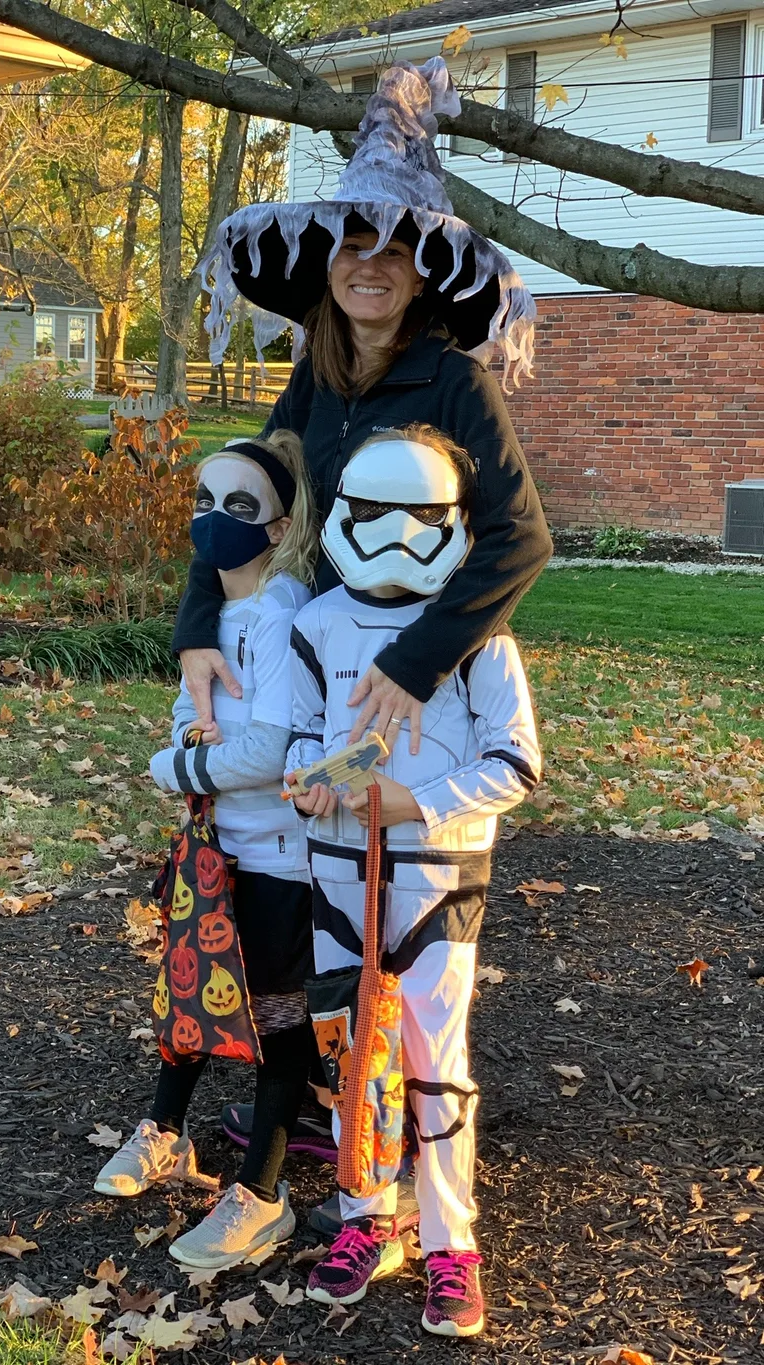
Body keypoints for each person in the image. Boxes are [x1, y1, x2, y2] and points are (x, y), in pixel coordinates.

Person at [183, 57, 552, 1212]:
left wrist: (412, 663)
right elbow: (252, 493)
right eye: (351, 249)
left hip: (420, 679)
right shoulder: (317, 380)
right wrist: (201, 618)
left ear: (421, 267)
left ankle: (399, 1136)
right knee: (299, 865)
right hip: (317, 653)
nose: (369, 268)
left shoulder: (451, 382)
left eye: (392, 250)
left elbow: (519, 541)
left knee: (396, 900)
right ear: (326, 266)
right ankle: (316, 1098)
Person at [287, 424, 542, 1338]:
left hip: (438, 875)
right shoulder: (316, 623)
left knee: (436, 1063)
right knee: (352, 1052)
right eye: (374, 511)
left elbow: (516, 763)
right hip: (339, 872)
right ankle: (368, 1216)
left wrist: (417, 801)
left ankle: (450, 1242)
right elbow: (308, 732)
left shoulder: (479, 632)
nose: (395, 532)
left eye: (418, 513)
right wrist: (315, 780)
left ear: (452, 521)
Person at [94, 430, 319, 1272]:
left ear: (279, 523)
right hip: (213, 849)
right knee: (190, 990)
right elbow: (190, 720)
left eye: (238, 506)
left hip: (281, 858)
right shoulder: (214, 618)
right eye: (203, 501)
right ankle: (165, 1132)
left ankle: (263, 1192)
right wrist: (190, 755)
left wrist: (178, 765)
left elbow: (267, 752)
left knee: (275, 1015)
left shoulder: (286, 612)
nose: (213, 520)